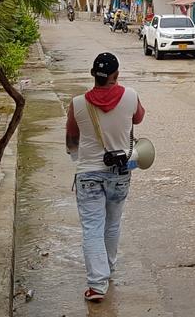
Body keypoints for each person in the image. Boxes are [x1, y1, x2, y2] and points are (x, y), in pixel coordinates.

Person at [65, 52, 145, 302]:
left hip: (88, 175)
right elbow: (139, 118)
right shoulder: (131, 96)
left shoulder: (77, 104)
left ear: (93, 75)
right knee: (112, 224)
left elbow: (71, 139)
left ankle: (97, 285)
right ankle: (107, 270)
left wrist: (79, 158)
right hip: (120, 173)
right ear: (116, 75)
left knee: (92, 228)